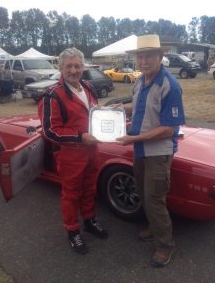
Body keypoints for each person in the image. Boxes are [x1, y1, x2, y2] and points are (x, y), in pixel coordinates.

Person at [117, 35, 185, 267]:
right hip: (140, 149)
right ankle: (153, 227)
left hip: (158, 152)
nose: (143, 61)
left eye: (148, 56)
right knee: (144, 194)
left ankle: (165, 246)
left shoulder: (170, 85)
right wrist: (120, 109)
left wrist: (133, 138)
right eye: (140, 56)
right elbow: (139, 108)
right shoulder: (141, 81)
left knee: (155, 200)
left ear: (160, 57)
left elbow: (168, 129)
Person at [38, 47, 108, 255]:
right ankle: (72, 232)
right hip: (70, 155)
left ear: (83, 67)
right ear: (60, 68)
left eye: (77, 65)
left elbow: (93, 114)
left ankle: (89, 220)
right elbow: (50, 132)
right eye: (69, 66)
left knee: (89, 188)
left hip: (91, 150)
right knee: (71, 194)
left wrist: (110, 116)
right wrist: (79, 137)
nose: (74, 70)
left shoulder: (87, 87)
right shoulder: (52, 95)